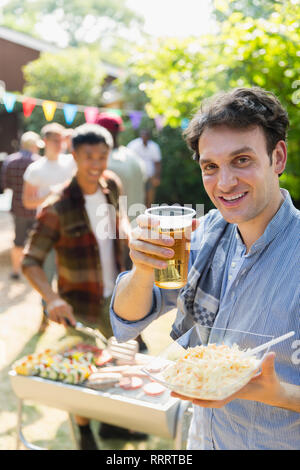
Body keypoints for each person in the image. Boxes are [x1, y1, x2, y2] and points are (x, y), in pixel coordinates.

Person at [110, 87, 300, 450]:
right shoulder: (204, 233)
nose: (224, 183)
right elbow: (126, 321)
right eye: (210, 167)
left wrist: (280, 393)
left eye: (241, 160)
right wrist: (142, 268)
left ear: (277, 158)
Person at [21, 124, 141, 449]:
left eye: (103, 157)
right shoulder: (56, 206)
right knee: (86, 374)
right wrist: (52, 299)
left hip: (120, 298)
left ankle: (116, 426)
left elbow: (120, 223)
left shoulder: (111, 186)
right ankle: (86, 434)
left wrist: (130, 235)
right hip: (80, 305)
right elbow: (29, 261)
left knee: (125, 361)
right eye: (89, 156)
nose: (97, 164)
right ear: (73, 155)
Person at [22, 122, 77, 323]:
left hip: (72, 228)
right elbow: (27, 202)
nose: (59, 143)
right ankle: (47, 314)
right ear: (44, 141)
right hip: (47, 230)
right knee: (46, 273)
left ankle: (72, 315)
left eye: (62, 139)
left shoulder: (72, 162)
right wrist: (51, 196)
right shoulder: (35, 169)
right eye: (55, 139)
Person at [0, 131, 44, 279]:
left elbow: (5, 184)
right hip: (37, 208)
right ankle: (33, 271)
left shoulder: (10, 161)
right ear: (32, 146)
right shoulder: (39, 162)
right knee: (36, 241)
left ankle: (15, 270)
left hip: (17, 207)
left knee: (18, 240)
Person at [127, 129, 162, 207]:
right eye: (143, 135)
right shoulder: (133, 145)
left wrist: (157, 177)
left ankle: (148, 214)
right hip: (136, 177)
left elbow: (157, 163)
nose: (144, 137)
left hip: (150, 176)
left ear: (149, 137)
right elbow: (128, 161)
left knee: (150, 198)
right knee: (136, 197)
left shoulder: (154, 147)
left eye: (146, 136)